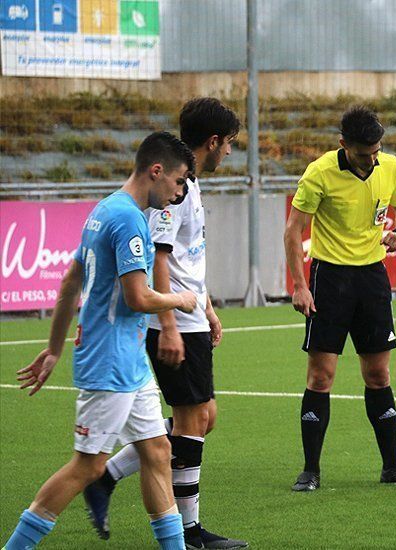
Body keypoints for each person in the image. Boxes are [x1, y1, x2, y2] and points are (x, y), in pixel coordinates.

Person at [4, 132, 198, 550]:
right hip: (109, 363)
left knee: (158, 451)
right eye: (179, 181)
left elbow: (70, 282)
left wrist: (56, 348)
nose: (180, 192)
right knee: (88, 467)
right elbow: (138, 297)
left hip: (130, 361)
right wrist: (181, 299)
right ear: (156, 171)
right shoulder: (129, 219)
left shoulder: (104, 209)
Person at [83, 99, 247, 549]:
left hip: (189, 316)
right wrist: (169, 325)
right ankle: (189, 530)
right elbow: (158, 254)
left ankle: (107, 476)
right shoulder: (178, 188)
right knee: (192, 419)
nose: (229, 153)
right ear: (212, 142)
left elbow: (187, 258)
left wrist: (208, 309)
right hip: (172, 322)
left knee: (200, 418)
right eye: (229, 144)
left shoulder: (187, 184)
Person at [284, 105, 396, 492]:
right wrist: (300, 284)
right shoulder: (319, 172)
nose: (372, 159)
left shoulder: (390, 167)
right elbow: (293, 232)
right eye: (364, 153)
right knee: (321, 376)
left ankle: (392, 466)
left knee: (379, 374)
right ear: (343, 144)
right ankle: (311, 470)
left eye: (377, 151)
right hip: (329, 279)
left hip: (372, 279)